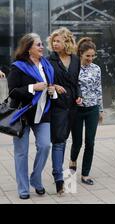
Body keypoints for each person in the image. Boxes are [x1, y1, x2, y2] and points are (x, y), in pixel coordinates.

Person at [7, 33, 56, 199]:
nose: (42, 47)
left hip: (43, 113)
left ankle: (35, 179)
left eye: (42, 44)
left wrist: (52, 90)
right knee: (21, 153)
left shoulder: (47, 65)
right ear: (29, 49)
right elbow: (13, 92)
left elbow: (50, 85)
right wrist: (32, 88)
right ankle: (23, 188)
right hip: (22, 115)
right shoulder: (18, 66)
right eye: (38, 45)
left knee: (45, 146)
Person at [47, 27, 82, 195]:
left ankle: (65, 178)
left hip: (73, 107)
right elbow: (44, 81)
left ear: (67, 42)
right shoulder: (49, 61)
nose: (55, 44)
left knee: (68, 141)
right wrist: (53, 86)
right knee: (59, 142)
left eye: (58, 41)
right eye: (53, 41)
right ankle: (59, 181)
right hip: (57, 108)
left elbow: (76, 82)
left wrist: (79, 95)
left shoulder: (75, 60)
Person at [69, 38, 103, 185]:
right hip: (77, 110)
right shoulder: (73, 67)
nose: (90, 59)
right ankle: (73, 159)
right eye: (87, 55)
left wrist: (100, 109)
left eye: (92, 56)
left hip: (92, 109)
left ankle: (85, 174)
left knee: (90, 142)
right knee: (77, 142)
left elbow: (98, 89)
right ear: (81, 54)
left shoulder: (96, 68)